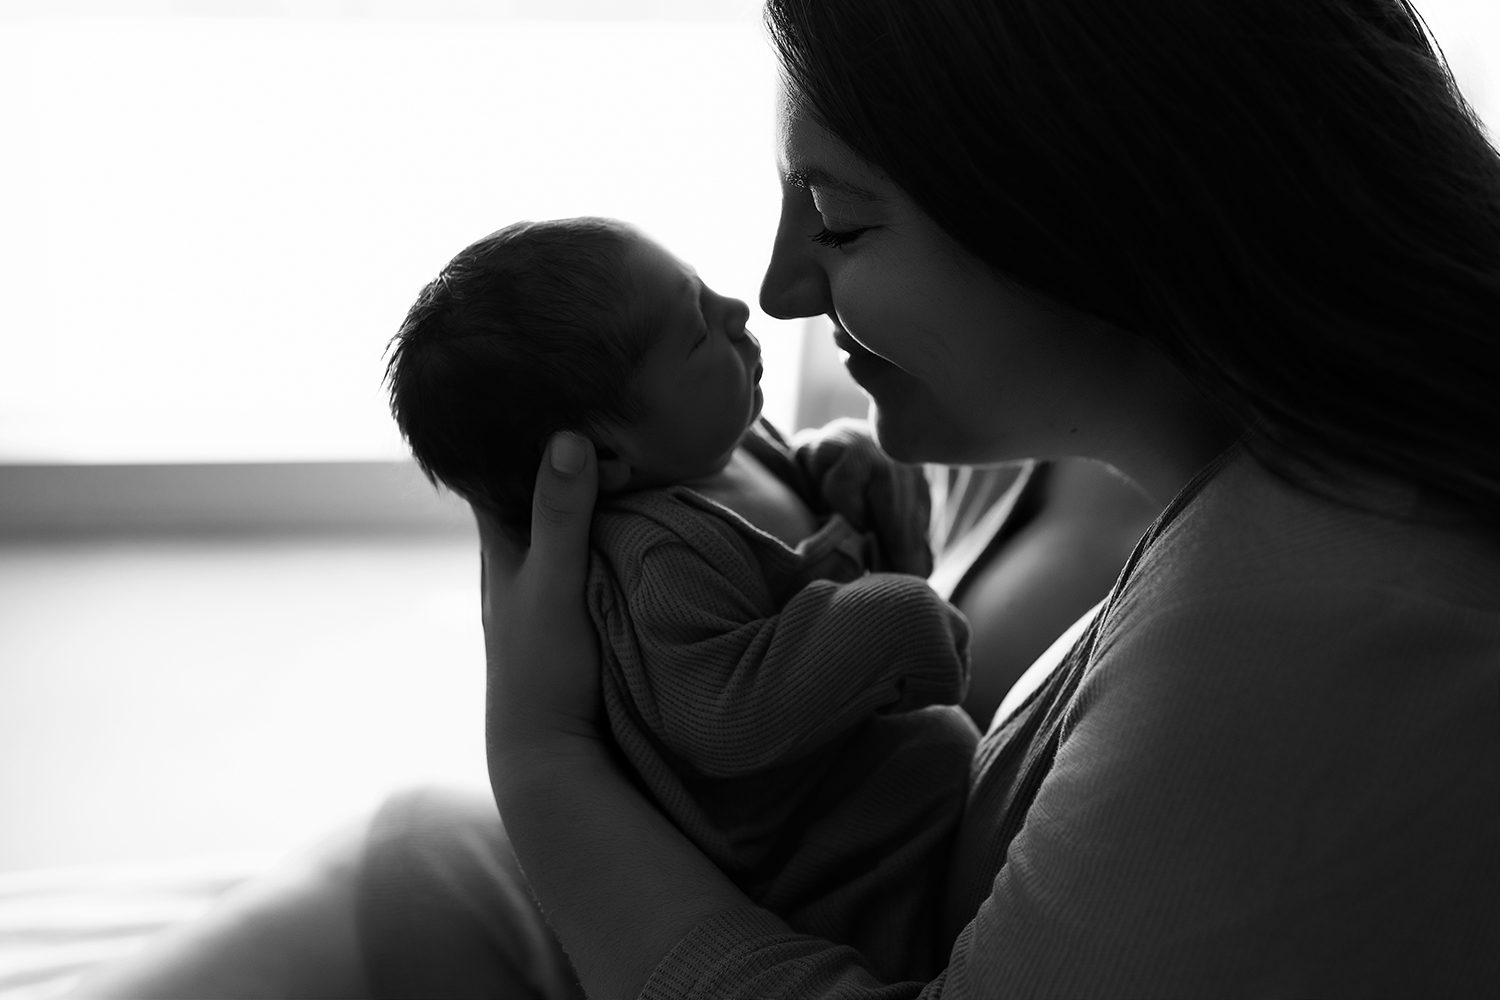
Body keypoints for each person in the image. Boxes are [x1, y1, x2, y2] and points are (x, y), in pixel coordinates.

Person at [77, 0, 1500, 995]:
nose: (775, 291)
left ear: (1092, 195)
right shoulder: (1207, 475)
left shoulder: (1308, 624)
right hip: (492, 890)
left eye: (839, 221)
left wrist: (552, 766)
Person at [384, 217, 976, 982]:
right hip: (849, 882)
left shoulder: (722, 440)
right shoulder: (655, 553)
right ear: (603, 457)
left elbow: (801, 544)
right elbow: (725, 712)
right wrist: (895, 621)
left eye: (705, 291)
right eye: (698, 333)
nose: (739, 311)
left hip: (917, 818)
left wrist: (836, 469)